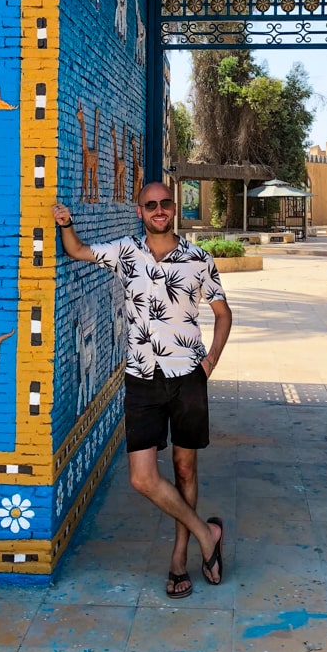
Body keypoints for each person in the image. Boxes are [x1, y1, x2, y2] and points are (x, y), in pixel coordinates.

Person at [52, 182, 232, 598]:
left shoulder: (198, 260)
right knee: (142, 478)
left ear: (174, 208)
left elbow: (223, 314)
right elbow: (78, 251)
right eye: (151, 205)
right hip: (142, 378)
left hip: (188, 377)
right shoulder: (125, 252)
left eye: (166, 203)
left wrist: (210, 363)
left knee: (185, 469)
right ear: (140, 211)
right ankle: (208, 535)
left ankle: (179, 556)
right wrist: (67, 223)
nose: (159, 210)